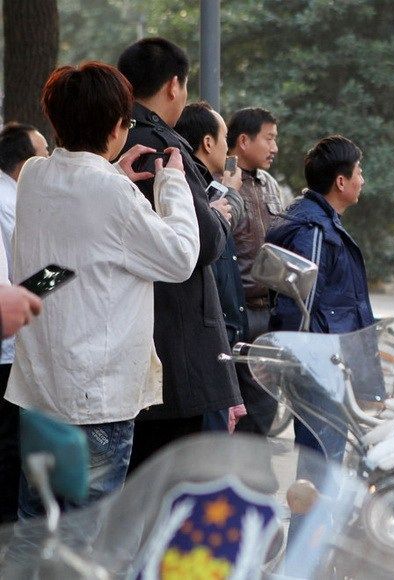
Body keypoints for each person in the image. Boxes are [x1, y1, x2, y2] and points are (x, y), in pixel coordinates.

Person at [5, 62, 200, 515]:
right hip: (95, 401)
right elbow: (181, 258)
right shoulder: (112, 195)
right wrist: (172, 186)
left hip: (39, 391)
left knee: (37, 531)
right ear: (118, 127)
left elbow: (61, 267)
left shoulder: (34, 175)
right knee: (84, 542)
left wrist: (113, 174)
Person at [116, 37, 241, 472]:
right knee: (165, 493)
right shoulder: (160, 146)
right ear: (174, 85)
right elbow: (200, 243)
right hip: (173, 346)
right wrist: (218, 216)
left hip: (119, 349)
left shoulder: (110, 144)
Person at [267, 135, 374, 458]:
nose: (362, 179)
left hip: (331, 360)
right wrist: (306, 365)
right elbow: (300, 302)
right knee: (321, 458)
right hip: (319, 364)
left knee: (327, 455)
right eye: (358, 172)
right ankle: (307, 512)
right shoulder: (314, 230)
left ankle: (312, 510)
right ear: (341, 182)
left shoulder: (322, 222)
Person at [174, 101, 255, 434]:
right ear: (208, 143)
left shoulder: (210, 195)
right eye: (224, 137)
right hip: (204, 358)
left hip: (219, 350)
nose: (228, 146)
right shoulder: (199, 197)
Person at [0, 122, 48, 523]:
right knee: (8, 453)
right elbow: (15, 290)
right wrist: (65, 270)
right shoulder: (10, 204)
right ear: (25, 163)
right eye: (43, 152)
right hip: (7, 351)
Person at [227, 108, 284, 338]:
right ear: (243, 140)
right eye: (269, 138)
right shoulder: (221, 181)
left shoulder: (269, 184)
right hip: (236, 310)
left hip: (272, 308)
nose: (274, 148)